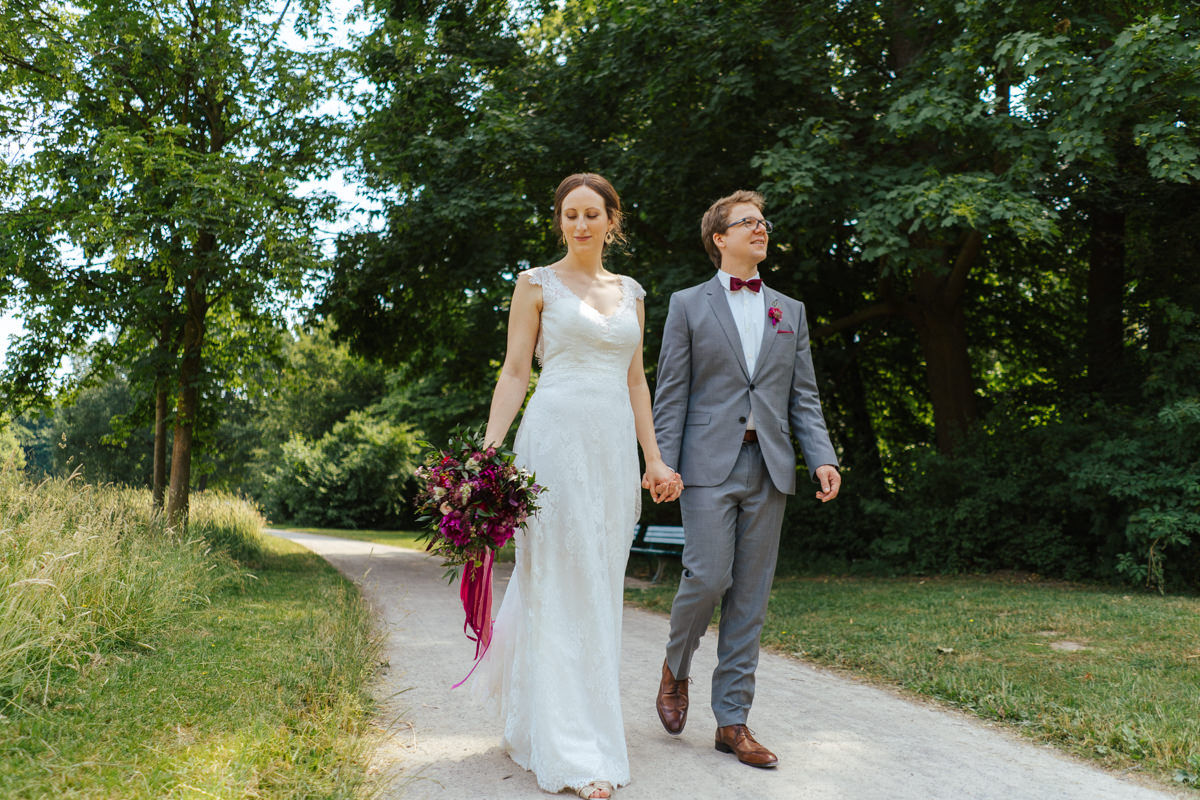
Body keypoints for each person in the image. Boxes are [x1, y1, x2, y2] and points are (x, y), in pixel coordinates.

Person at [475, 173, 681, 800]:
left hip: (612, 451)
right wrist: (485, 457)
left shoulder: (634, 293)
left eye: (593, 214)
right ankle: (574, 750)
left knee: (596, 584)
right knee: (558, 579)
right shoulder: (534, 285)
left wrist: (654, 459)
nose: (581, 224)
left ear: (612, 221)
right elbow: (515, 373)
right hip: (553, 444)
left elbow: (637, 382)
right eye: (570, 214)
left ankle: (557, 724)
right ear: (559, 221)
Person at [650, 189, 841, 768]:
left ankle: (732, 722)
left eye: (764, 222)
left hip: (772, 464)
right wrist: (661, 462)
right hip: (707, 464)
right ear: (720, 238)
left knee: (750, 600)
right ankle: (675, 667)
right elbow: (671, 392)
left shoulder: (790, 310)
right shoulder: (687, 304)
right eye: (748, 222)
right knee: (708, 578)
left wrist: (822, 455)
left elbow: (802, 395)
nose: (761, 229)